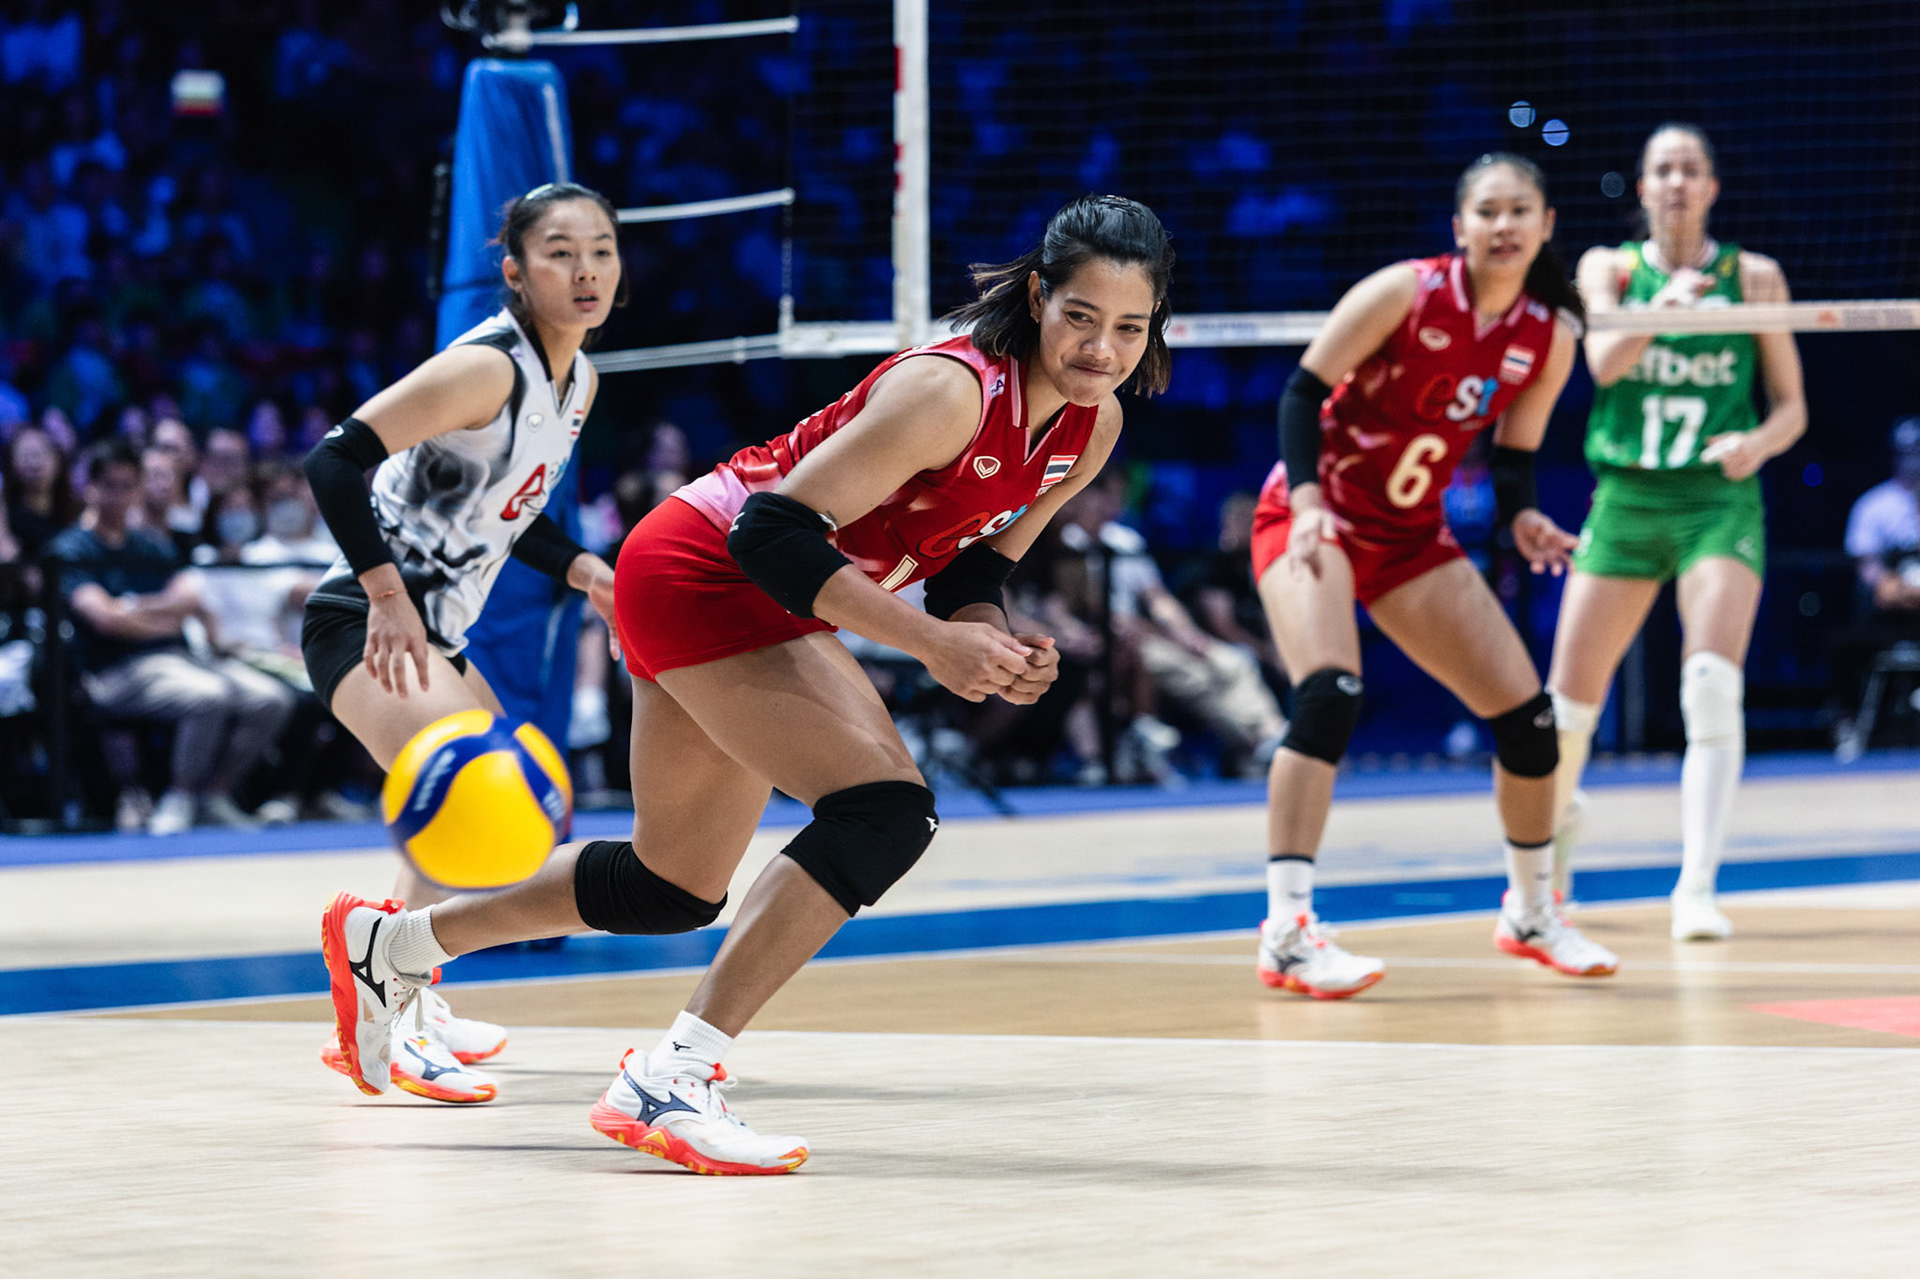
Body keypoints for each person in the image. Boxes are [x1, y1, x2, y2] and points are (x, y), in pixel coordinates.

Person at [319, 194, 1174, 1174]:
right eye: (1080, 316)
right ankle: (672, 1077)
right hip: (709, 568)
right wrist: (931, 646)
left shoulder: (1091, 428)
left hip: (732, 581)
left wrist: (993, 639)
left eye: (1129, 327)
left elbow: (974, 570)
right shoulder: (951, 392)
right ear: (1036, 298)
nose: (1101, 348)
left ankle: (393, 948)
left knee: (671, 885)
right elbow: (770, 531)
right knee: (886, 810)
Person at [1250, 152, 1615, 1000]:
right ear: (1461, 226)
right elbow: (1300, 395)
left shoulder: (1550, 334)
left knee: (1530, 722)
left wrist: (1523, 514)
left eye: (1519, 210)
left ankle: (1531, 912)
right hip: (1316, 515)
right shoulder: (1404, 292)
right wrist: (1307, 501)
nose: (1504, 224)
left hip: (1410, 536)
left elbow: (1515, 454)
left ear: (1546, 225)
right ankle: (1287, 931)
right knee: (1329, 695)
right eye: (1488, 211)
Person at [299, 182, 627, 1103]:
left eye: (601, 250)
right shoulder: (487, 367)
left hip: (436, 629)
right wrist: (385, 593)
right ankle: (384, 1006)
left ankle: (408, 985)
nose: (586, 270)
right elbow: (334, 458)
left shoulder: (579, 380)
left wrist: (583, 570)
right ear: (515, 271)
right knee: (478, 794)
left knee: (491, 820)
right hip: (365, 618)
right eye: (560, 252)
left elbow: (504, 513)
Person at [1547, 124, 1806, 942]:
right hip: (1627, 496)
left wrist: (1756, 443)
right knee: (1566, 707)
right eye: (1663, 170)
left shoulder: (1754, 277)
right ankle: (1553, 851)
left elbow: (1792, 408)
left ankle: (1695, 886)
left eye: (1692, 169)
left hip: (1716, 502)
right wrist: (1659, 310)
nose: (1678, 182)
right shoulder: (1609, 269)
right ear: (1643, 187)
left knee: (1710, 685)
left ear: (1712, 187)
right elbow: (1603, 365)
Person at [47, 440, 295, 835]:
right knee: (209, 696)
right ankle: (179, 797)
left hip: (177, 659)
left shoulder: (152, 545)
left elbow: (192, 602)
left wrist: (131, 608)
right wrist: (160, 614)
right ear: (89, 488)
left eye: (128, 486)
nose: (120, 496)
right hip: (114, 671)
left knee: (270, 699)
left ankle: (215, 794)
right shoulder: (70, 548)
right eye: (110, 485)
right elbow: (104, 620)